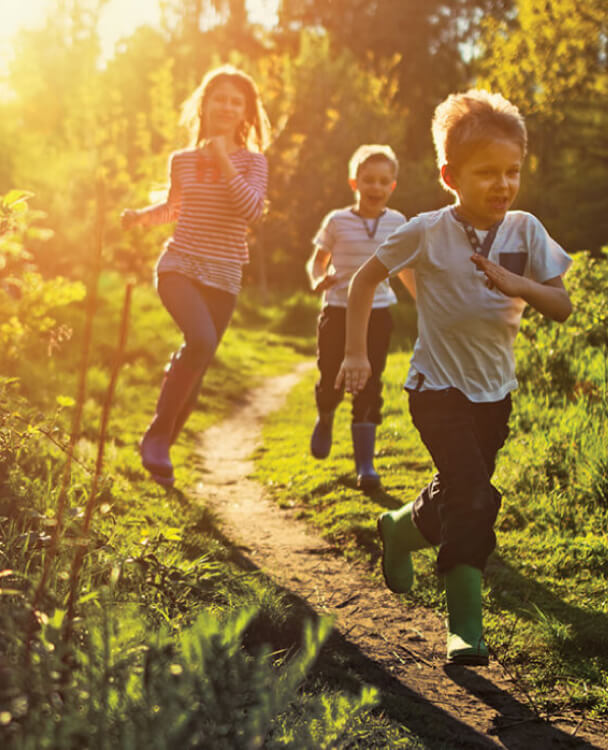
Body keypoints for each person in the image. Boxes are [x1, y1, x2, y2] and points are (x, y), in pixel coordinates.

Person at [336, 90, 572, 665]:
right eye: (486, 172)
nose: (502, 183)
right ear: (450, 175)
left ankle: (399, 528)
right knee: (473, 496)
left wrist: (522, 287)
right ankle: (465, 627)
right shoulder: (426, 230)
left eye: (512, 171)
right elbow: (364, 281)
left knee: (459, 493)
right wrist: (357, 354)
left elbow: (562, 305)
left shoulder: (526, 230)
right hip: (436, 388)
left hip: (496, 394)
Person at [121, 65, 270, 487]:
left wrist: (225, 161)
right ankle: (157, 437)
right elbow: (174, 209)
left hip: (224, 275)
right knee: (201, 341)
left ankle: (161, 448)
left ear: (245, 113)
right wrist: (139, 219)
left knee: (197, 365)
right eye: (219, 98)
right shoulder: (181, 160)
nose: (226, 106)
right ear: (203, 105)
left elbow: (252, 211)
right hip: (179, 265)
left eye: (235, 101)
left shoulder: (254, 162)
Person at [306, 145, 415, 492]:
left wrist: (428, 305)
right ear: (354, 182)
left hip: (378, 313)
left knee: (369, 382)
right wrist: (316, 280)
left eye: (384, 181)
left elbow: (407, 269)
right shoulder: (337, 221)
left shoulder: (399, 223)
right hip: (337, 310)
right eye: (368, 180)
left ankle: (365, 465)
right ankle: (325, 415)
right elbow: (318, 261)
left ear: (393, 186)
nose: (376, 187)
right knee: (331, 378)